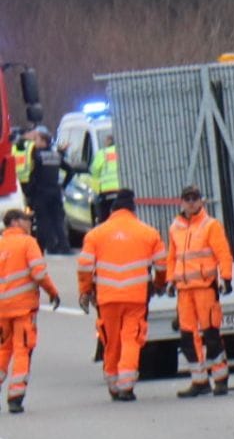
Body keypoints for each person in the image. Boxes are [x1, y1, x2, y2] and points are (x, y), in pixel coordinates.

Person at [76, 188, 166, 402]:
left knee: (111, 340)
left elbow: (85, 266)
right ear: (133, 210)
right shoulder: (148, 232)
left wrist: (85, 291)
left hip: (107, 299)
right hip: (135, 298)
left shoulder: (96, 234)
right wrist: (158, 285)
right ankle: (127, 385)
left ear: (112, 210)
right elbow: (161, 265)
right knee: (131, 339)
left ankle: (113, 383)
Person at [167, 185, 234, 397]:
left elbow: (223, 253)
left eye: (194, 198)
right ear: (181, 202)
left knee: (211, 335)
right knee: (188, 337)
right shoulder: (175, 227)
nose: (190, 202)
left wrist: (226, 278)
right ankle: (200, 380)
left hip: (205, 287)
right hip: (184, 290)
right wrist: (170, 280)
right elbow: (172, 257)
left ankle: (220, 379)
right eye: (187, 199)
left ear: (201, 201)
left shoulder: (210, 225)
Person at [0, 208, 61, 412]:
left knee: (2, 350)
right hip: (23, 308)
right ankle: (15, 396)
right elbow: (39, 273)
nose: (29, 223)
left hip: (1, 311)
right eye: (26, 220)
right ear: (15, 222)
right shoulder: (28, 243)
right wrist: (52, 292)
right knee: (22, 350)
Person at [24, 127, 70, 255]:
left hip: (41, 192)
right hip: (55, 191)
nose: (35, 142)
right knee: (58, 219)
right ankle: (64, 246)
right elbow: (70, 170)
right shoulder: (56, 155)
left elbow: (33, 176)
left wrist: (28, 192)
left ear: (44, 141)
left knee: (43, 221)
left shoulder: (37, 156)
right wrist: (63, 185)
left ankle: (49, 247)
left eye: (37, 139)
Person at [89, 131, 120, 224]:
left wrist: (96, 191)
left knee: (105, 219)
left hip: (106, 192)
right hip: (121, 190)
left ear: (107, 142)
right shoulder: (121, 151)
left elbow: (94, 172)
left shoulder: (102, 153)